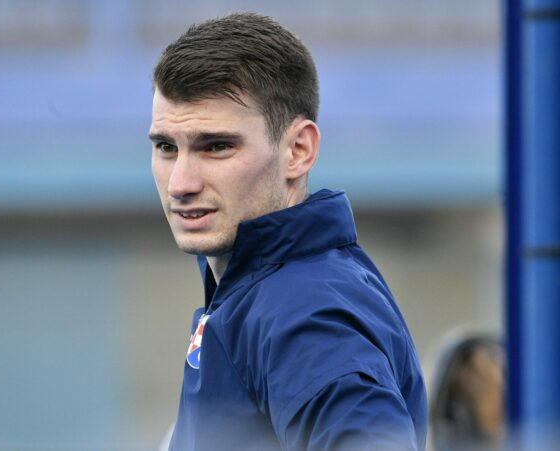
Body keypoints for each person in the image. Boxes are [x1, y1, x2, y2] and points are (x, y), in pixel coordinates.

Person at [148, 13, 427, 451]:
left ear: (298, 150)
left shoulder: (305, 314)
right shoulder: (257, 286)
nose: (180, 183)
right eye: (166, 147)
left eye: (217, 146)